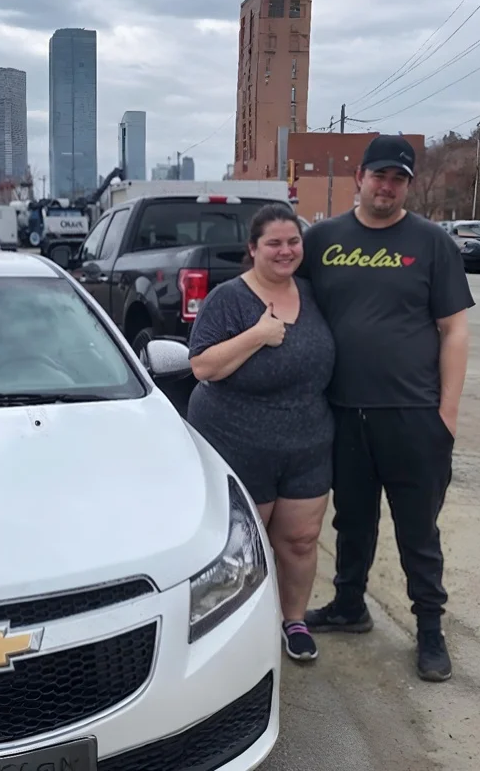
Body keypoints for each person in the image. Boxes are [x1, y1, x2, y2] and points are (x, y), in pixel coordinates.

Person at [299, 134, 474, 682]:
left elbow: (454, 329)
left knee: (418, 530)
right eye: (379, 175)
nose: (387, 186)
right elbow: (290, 304)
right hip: (344, 411)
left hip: (413, 414)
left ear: (407, 184)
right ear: (360, 176)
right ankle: (350, 605)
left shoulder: (431, 242)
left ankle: (429, 630)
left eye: (398, 178)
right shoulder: (324, 239)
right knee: (352, 521)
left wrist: (446, 414)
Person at [187, 203, 335, 663]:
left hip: (308, 444)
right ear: (253, 249)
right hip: (238, 442)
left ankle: (293, 620)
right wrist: (257, 335)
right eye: (274, 242)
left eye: (293, 241)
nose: (285, 250)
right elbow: (202, 366)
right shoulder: (229, 298)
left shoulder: (313, 294)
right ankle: (243, 630)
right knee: (242, 550)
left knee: (300, 541)